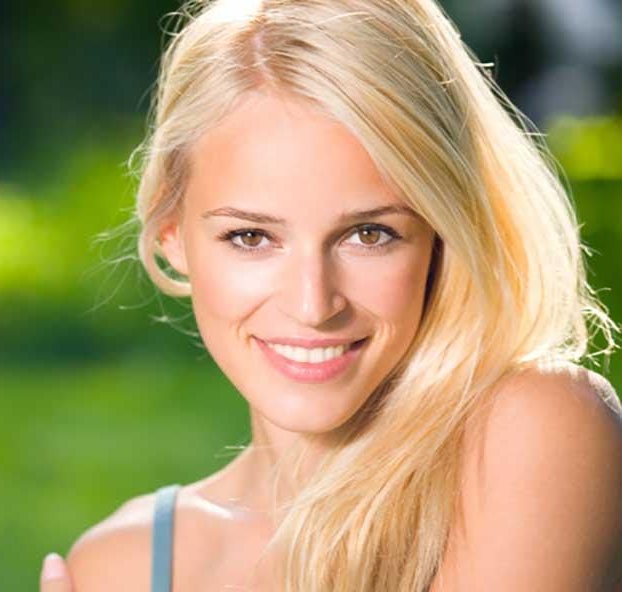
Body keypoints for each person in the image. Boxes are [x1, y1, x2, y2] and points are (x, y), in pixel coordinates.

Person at [40, 0, 622, 590]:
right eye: (251, 236)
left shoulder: (537, 433)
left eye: (369, 235)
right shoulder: (123, 564)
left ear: (442, 234)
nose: (313, 305)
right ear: (172, 234)